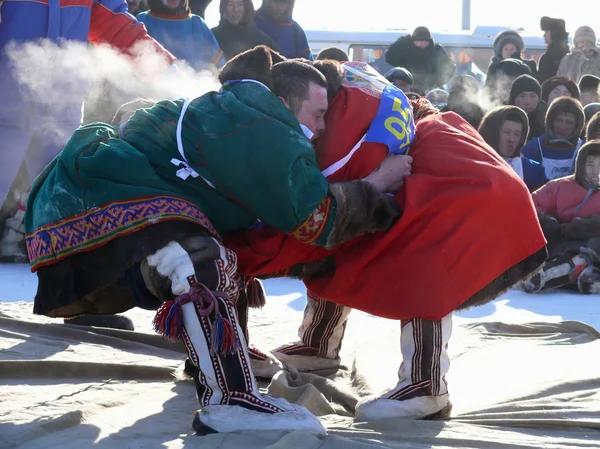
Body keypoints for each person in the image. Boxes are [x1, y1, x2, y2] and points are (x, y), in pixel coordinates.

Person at [24, 46, 408, 435]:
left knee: (223, 249)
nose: (323, 127)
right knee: (196, 258)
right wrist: (376, 184)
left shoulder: (242, 112)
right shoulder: (264, 127)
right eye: (318, 113)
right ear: (283, 103)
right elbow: (313, 219)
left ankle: (220, 361)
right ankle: (230, 399)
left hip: (101, 194)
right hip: (96, 193)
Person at [224, 58, 547, 421]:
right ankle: (320, 342)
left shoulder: (336, 133)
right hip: (439, 157)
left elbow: (311, 218)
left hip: (456, 184)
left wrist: (240, 255)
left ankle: (426, 386)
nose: (318, 124)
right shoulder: (341, 78)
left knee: (419, 253)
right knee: (342, 246)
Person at [0, 0, 175, 261]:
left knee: (67, 207)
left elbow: (115, 25)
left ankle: (70, 291)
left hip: (60, 110)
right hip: (5, 107)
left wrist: (166, 70)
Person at [522, 140, 600, 294]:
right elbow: (532, 206)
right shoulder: (560, 186)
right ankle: (550, 273)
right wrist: (549, 223)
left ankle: (578, 272)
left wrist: (586, 226)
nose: (596, 171)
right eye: (590, 165)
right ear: (580, 165)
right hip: (558, 242)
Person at [137, 0, 226, 70]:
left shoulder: (196, 23)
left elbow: (218, 66)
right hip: (151, 90)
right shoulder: (143, 20)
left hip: (194, 89)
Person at [478, 106, 545, 191]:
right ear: (492, 132)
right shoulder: (475, 166)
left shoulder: (533, 170)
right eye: (506, 132)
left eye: (517, 134)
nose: (511, 139)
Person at [522, 97, 585, 183]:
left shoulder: (583, 150)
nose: (563, 127)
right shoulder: (532, 149)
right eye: (558, 120)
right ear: (549, 121)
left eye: (569, 122)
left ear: (578, 125)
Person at [385, 26, 456, 94]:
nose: (423, 43)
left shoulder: (436, 51)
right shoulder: (406, 52)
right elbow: (390, 57)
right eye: (420, 40)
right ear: (413, 41)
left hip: (431, 91)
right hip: (408, 90)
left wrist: (434, 84)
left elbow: (448, 69)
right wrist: (404, 40)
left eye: (426, 41)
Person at [211, 0, 279, 62]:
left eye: (240, 4)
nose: (235, 9)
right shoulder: (213, 36)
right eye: (231, 4)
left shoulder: (260, 39)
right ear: (224, 8)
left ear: (247, 7)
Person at [509, 74, 546, 141]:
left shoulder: (547, 120)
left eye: (533, 96)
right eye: (522, 96)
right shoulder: (503, 118)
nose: (528, 102)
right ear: (513, 98)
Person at [537, 16, 570, 84]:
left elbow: (542, 83)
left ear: (554, 33)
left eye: (546, 32)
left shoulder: (547, 58)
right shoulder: (569, 55)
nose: (544, 35)